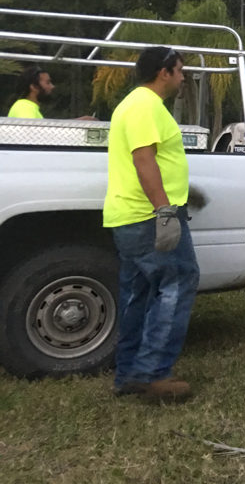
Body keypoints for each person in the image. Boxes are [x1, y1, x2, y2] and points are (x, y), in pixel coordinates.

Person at [104, 46, 199, 403]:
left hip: (128, 216)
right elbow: (144, 160)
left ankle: (128, 374)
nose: (183, 75)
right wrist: (165, 212)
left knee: (138, 294)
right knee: (178, 282)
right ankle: (152, 374)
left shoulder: (131, 104)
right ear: (164, 72)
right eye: (180, 69)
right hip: (149, 217)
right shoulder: (145, 106)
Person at [6, 65, 95, 119]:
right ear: (33, 87)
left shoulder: (27, 106)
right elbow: (34, 134)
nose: (52, 86)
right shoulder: (24, 107)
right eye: (48, 83)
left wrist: (79, 122)